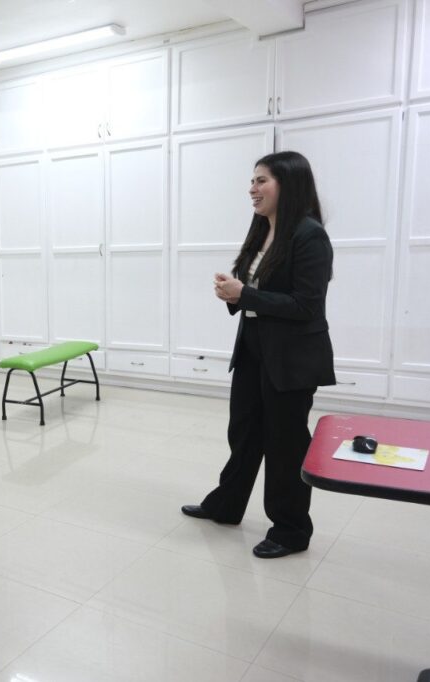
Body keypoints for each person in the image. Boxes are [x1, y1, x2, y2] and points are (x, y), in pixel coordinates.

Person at [181, 151, 335, 559]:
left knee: (285, 444)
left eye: (262, 180)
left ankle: (290, 530)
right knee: (244, 432)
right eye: (252, 180)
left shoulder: (308, 234)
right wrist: (232, 293)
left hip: (292, 359)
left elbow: (306, 305)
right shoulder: (262, 229)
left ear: (289, 183)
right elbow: (257, 294)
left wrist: (244, 294)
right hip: (254, 350)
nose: (252, 188)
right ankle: (227, 505)